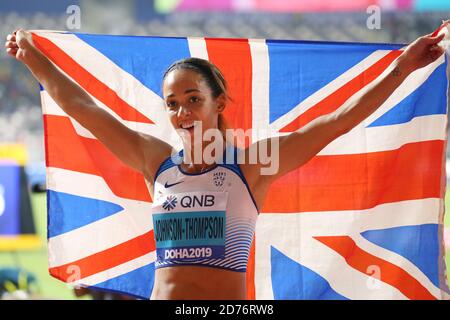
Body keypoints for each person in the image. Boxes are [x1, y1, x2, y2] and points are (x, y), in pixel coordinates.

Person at [4, 28, 446, 300]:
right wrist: (34, 59)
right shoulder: (155, 160)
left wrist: (403, 67)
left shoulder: (252, 164)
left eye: (194, 100)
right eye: (173, 104)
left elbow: (336, 122)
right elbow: (84, 108)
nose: (182, 114)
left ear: (219, 103)